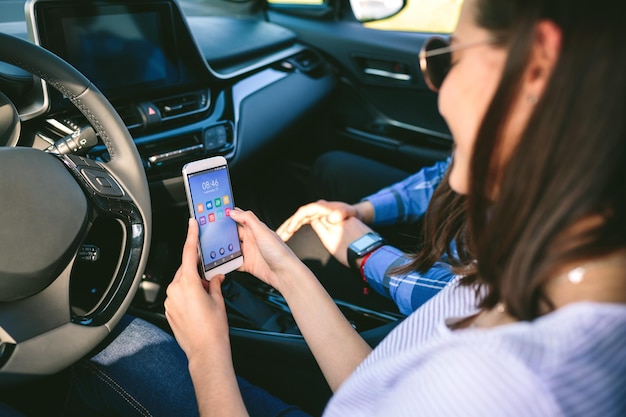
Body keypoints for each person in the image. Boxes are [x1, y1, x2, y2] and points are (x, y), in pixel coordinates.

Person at [65, 0, 626, 415]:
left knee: (99, 344)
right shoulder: (535, 276)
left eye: (448, 56)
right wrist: (288, 273)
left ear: (535, 70)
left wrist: (207, 354)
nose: (438, 86)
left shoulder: (495, 386)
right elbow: (375, 388)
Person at [276, 153, 456, 315]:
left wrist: (367, 253)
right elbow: (444, 176)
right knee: (332, 169)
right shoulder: (477, 156)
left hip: (440, 304)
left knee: (301, 241)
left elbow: (458, 299)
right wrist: (361, 211)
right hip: (457, 238)